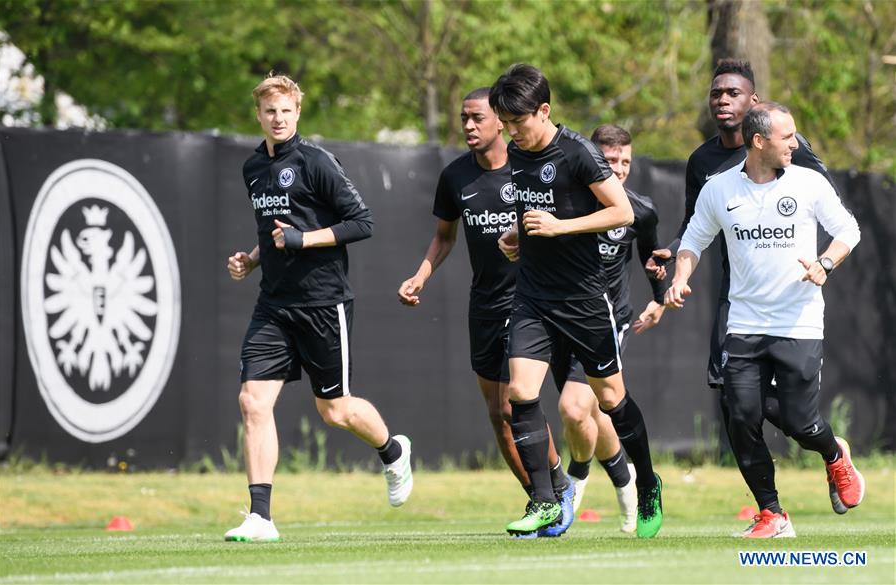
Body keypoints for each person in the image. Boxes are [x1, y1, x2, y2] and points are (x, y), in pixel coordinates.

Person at [397, 89, 635, 536]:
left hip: (538, 301)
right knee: (499, 414)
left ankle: (596, 484)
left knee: (574, 403)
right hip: (485, 303)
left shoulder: (532, 161)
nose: (470, 126)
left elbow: (603, 211)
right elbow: (445, 237)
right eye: (463, 117)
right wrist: (421, 275)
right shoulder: (455, 178)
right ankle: (547, 495)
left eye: (479, 117)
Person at [647, 59, 848, 514]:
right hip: (736, 296)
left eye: (732, 93)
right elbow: (696, 226)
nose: (722, 100)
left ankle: (824, 442)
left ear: (752, 103)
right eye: (716, 92)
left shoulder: (793, 155)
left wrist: (823, 262)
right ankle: (770, 510)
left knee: (794, 415)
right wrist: (676, 259)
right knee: (734, 400)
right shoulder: (704, 164)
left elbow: (825, 208)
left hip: (794, 292)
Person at [224, 73, 413, 542]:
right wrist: (251, 259)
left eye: (286, 111)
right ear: (259, 116)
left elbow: (361, 222)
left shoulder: (317, 161)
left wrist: (303, 240)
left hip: (323, 304)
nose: (278, 118)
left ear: (297, 112)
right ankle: (261, 517)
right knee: (252, 402)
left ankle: (392, 451)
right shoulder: (253, 168)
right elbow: (274, 230)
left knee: (335, 410)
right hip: (274, 304)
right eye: (270, 111)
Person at [490, 64, 662, 539]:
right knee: (520, 395)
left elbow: (622, 211)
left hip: (585, 299)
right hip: (532, 294)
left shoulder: (578, 153)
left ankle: (647, 483)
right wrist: (518, 235)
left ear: (544, 111)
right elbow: (536, 212)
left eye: (517, 122)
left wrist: (560, 228)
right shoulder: (517, 151)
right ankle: (545, 500)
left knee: (610, 399)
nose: (510, 132)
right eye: (504, 123)